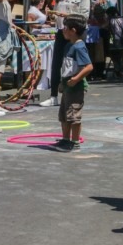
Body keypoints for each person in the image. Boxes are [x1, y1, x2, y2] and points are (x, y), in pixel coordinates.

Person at [41, 0, 90, 107]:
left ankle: (75, 93)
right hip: (62, 31)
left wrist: (67, 15)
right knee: (56, 63)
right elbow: (56, 17)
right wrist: (51, 15)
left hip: (76, 33)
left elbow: (84, 17)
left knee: (74, 65)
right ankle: (53, 96)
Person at [53, 15, 93, 152]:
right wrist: (62, 82)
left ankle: (75, 142)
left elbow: (88, 67)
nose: (63, 30)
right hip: (67, 86)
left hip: (76, 87)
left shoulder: (79, 47)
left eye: (65, 27)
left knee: (74, 116)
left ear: (73, 30)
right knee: (64, 115)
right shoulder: (69, 46)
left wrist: (76, 79)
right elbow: (66, 67)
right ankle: (65, 140)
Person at [106, 7, 123, 78]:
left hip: (115, 41)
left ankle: (117, 69)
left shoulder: (111, 20)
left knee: (114, 55)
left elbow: (109, 30)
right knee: (120, 55)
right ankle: (122, 69)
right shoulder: (121, 19)